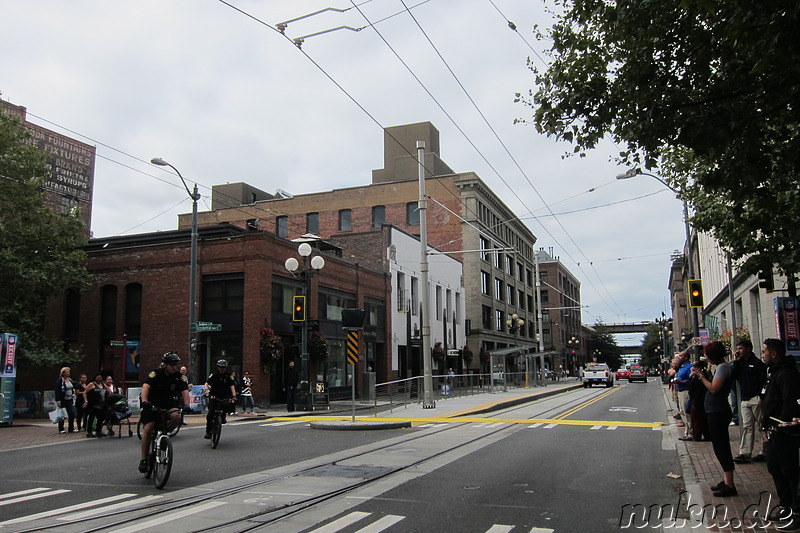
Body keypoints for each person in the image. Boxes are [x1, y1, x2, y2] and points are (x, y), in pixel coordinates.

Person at [760, 338, 800, 529]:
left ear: (774, 354)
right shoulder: (774, 372)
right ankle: (786, 505)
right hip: (773, 430)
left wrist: (781, 425)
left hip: (784, 431)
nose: (763, 355)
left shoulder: (786, 374)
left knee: (789, 470)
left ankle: (797, 510)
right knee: (775, 468)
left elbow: (789, 403)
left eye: (764, 351)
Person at [691, 340, 737, 497]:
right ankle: (726, 480)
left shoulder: (723, 368)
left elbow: (714, 388)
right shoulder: (721, 367)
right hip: (714, 410)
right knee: (719, 447)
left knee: (722, 447)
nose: (706, 357)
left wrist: (701, 377)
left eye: (707, 354)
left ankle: (729, 484)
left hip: (718, 411)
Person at [139, 352, 190, 473]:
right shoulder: (156, 374)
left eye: (175, 365)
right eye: (172, 365)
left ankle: (164, 433)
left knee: (177, 415)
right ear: (165, 365)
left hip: (168, 405)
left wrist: (187, 405)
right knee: (148, 428)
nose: (174, 367)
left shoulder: (178, 377)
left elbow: (185, 391)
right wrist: (145, 401)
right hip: (152, 404)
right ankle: (143, 459)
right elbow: (146, 387)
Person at [731, 339, 767, 463]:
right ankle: (745, 452)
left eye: (741, 348)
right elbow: (734, 376)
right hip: (745, 399)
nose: (738, 351)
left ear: (748, 349)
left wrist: (760, 396)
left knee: (762, 425)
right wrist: (735, 362)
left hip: (755, 398)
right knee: (747, 426)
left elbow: (763, 381)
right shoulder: (740, 363)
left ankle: (766, 450)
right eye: (738, 348)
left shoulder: (757, 364)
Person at [203, 359, 237, 439]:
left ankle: (223, 416)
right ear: (218, 367)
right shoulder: (214, 374)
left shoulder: (228, 376)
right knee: (210, 414)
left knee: (227, 404)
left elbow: (232, 386)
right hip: (214, 394)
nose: (222, 369)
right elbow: (207, 383)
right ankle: (208, 432)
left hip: (225, 395)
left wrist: (234, 396)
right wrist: (207, 389)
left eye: (224, 368)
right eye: (221, 367)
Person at [687, 360, 711, 442]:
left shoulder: (702, 375)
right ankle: (701, 435)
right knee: (699, 419)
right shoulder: (697, 376)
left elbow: (694, 386)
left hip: (699, 400)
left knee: (698, 419)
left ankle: (698, 435)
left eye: (694, 367)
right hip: (696, 399)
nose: (692, 368)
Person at [673, 351, 693, 436]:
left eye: (680, 356)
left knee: (687, 412)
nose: (678, 358)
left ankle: (691, 432)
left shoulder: (690, 367)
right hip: (679, 391)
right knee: (682, 412)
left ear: (686, 357)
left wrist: (680, 381)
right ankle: (687, 431)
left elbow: (691, 380)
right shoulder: (682, 367)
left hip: (686, 391)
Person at [84, 373, 107, 438]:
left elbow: (108, 390)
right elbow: (85, 392)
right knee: (92, 417)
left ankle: (98, 430)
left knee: (101, 417)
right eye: (98, 377)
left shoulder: (102, 384)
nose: (99, 379)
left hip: (101, 404)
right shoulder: (92, 384)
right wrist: (86, 401)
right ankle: (89, 432)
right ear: (95, 378)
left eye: (100, 377)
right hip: (93, 404)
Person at [54, 367, 76, 434]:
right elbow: (57, 391)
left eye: (69, 372)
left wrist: (73, 394)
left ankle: (71, 428)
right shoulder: (60, 381)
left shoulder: (70, 380)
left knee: (72, 412)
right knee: (62, 414)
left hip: (70, 399)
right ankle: (61, 428)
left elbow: (72, 388)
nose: (68, 373)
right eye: (66, 372)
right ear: (63, 373)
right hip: (63, 399)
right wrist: (58, 400)